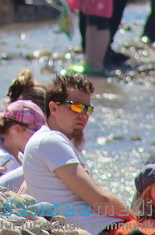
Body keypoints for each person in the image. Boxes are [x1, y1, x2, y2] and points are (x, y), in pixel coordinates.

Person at [22, 71, 131, 234]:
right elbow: (100, 201)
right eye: (76, 106)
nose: (83, 114)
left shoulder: (49, 141)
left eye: (87, 109)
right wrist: (133, 217)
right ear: (53, 107)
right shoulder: (52, 141)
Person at [0, 100, 46, 192]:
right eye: (34, 132)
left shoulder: (19, 156)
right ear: (17, 129)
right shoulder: (3, 160)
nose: (37, 137)